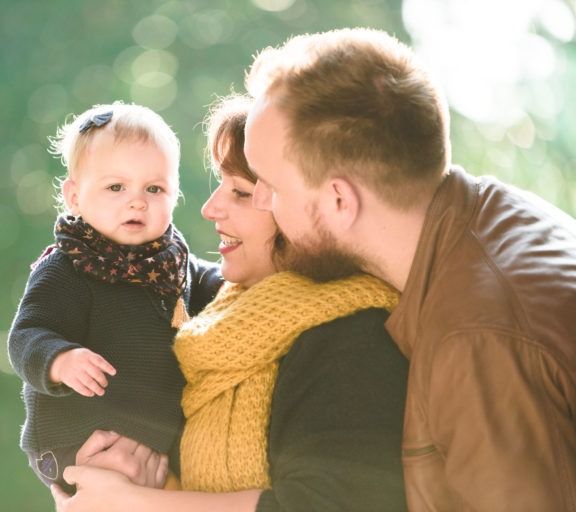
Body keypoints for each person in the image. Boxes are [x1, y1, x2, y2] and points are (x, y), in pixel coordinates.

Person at [243, 27, 576, 511]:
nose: (260, 200)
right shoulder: (493, 216)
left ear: (340, 200)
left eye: (271, 185)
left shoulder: (477, 337)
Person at [50, 95, 409, 511]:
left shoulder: (351, 334)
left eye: (240, 192)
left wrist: (139, 502)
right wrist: (116, 478)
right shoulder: (213, 319)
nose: (209, 208)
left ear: (315, 207)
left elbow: (332, 503)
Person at [7, 102, 222, 496]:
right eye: (115, 187)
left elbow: (213, 282)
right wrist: (59, 359)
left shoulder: (171, 263)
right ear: (74, 196)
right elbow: (27, 334)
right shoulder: (68, 267)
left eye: (153, 188)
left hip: (152, 440)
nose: (136, 201)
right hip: (75, 439)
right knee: (117, 479)